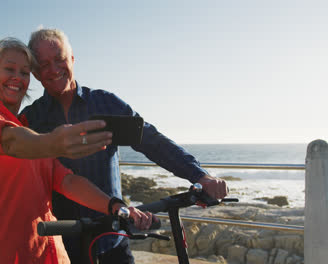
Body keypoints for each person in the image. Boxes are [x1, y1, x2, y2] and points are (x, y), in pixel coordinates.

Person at [20, 28, 229, 264]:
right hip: (61, 244)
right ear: (35, 72)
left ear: (72, 59)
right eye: (44, 64)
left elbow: (151, 140)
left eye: (59, 59)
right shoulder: (30, 118)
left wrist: (200, 176)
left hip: (113, 238)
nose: (54, 69)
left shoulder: (105, 103)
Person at [0, 37, 155, 264]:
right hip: (9, 256)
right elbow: (10, 140)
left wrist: (117, 207)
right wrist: (54, 142)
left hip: (53, 254)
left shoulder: (27, 127)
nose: (18, 77)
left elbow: (67, 181)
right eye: (9, 69)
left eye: (24, 72)